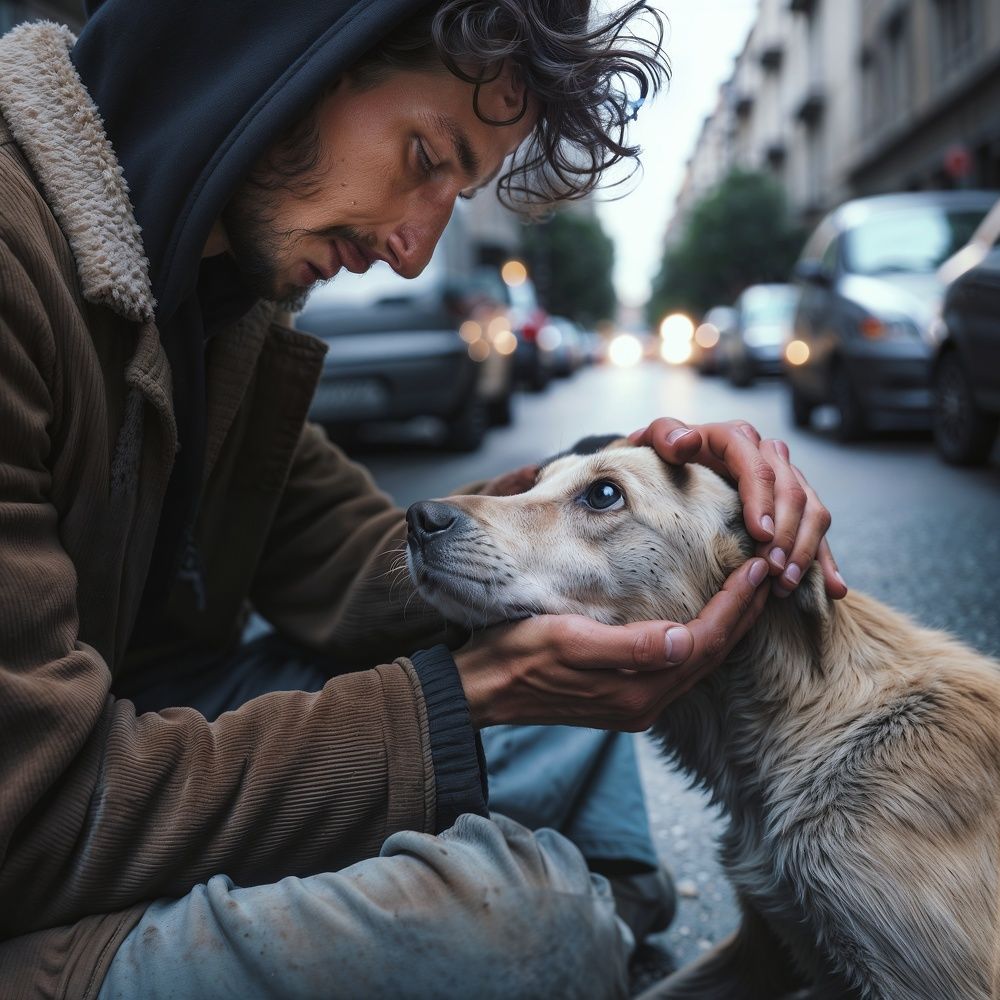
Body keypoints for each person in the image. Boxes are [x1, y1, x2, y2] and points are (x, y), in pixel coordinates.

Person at [0, 1, 846, 997]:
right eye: (424, 155)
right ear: (288, 55)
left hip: (139, 746)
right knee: (527, 926)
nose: (412, 249)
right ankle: (579, 947)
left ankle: (611, 937)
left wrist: (614, 485)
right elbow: (42, 812)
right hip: (43, 871)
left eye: (458, 189)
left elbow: (352, 556)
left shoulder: (207, 293)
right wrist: (474, 694)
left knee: (560, 654)